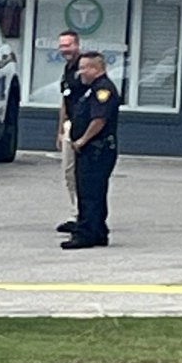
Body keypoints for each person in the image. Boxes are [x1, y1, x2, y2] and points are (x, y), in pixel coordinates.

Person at [62, 51, 120, 250]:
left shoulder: (103, 90)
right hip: (92, 150)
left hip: (97, 149)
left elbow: (99, 119)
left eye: (84, 68)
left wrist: (82, 140)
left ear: (96, 69)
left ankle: (86, 234)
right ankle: (97, 231)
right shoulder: (90, 89)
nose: (80, 72)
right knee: (93, 191)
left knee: (89, 192)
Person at [55, 30, 83, 235]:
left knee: (80, 174)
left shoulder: (84, 69)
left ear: (77, 45)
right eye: (62, 46)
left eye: (68, 45)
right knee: (68, 173)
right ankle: (75, 213)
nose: (65, 50)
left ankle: (83, 215)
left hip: (82, 127)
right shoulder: (67, 70)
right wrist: (60, 130)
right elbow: (65, 101)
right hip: (69, 126)